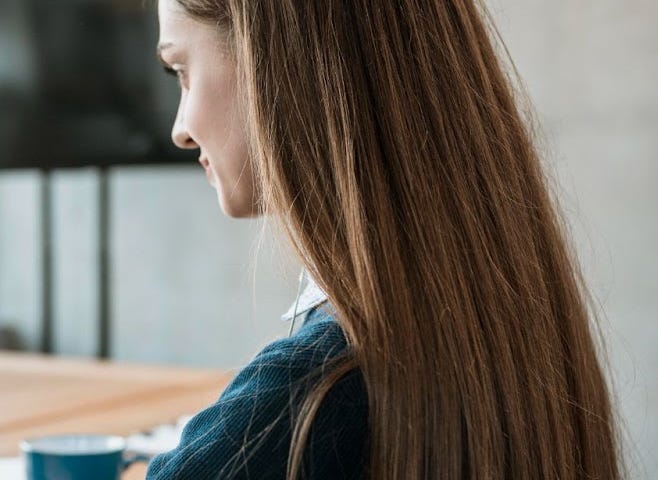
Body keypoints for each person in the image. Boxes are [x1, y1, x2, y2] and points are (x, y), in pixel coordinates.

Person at [145, 0, 622, 478]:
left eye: (182, 70)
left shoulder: (318, 388)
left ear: (270, 59)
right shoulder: (514, 326)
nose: (180, 130)